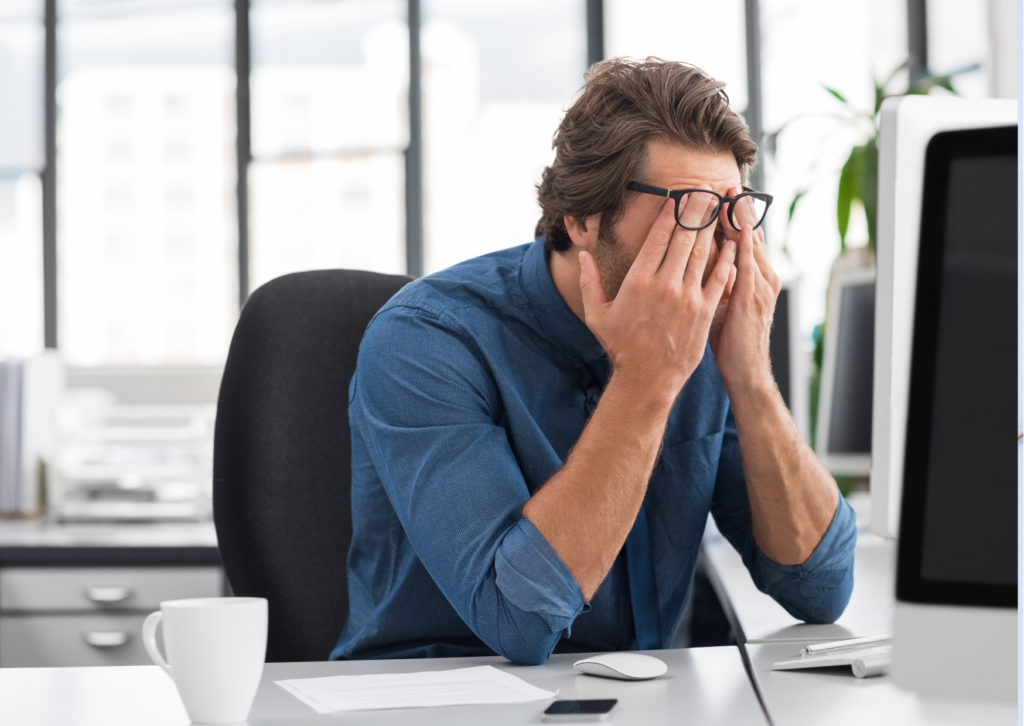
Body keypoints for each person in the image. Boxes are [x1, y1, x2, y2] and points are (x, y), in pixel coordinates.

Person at [331, 57, 856, 665]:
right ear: (582, 218)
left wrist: (750, 377)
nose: (714, 249)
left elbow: (820, 588)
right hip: (439, 699)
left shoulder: (708, 335)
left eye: (732, 213)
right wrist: (647, 379)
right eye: (689, 210)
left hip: (642, 699)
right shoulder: (427, 340)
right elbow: (518, 622)